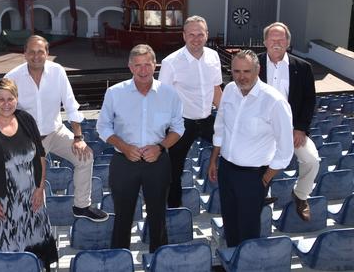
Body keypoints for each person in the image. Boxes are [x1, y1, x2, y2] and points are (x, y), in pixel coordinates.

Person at [0, 35, 107, 221]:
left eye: (40, 52)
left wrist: (78, 138)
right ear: (24, 54)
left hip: (55, 132)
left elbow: (71, 105)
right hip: (26, 138)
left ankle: (82, 206)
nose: (36, 56)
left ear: (47, 53)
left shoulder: (58, 72)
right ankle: (36, 217)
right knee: (34, 182)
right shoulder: (12, 77)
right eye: (32, 52)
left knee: (86, 157)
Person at [97, 44, 184, 252]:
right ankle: (120, 259)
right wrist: (124, 147)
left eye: (147, 64)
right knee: (123, 216)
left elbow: (178, 128)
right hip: (124, 162)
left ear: (155, 65)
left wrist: (160, 147)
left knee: (158, 216)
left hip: (158, 162)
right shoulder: (114, 93)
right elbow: (103, 126)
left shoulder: (170, 94)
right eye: (138, 65)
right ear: (130, 67)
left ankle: (158, 259)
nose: (143, 70)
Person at [0, 78, 58, 270]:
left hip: (30, 202)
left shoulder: (26, 120)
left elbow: (40, 155)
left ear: (17, 98)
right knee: (0, 260)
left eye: (10, 98)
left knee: (32, 258)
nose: (6, 104)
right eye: (1, 100)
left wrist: (40, 189)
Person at [208, 50, 294, 247]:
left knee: (248, 229)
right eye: (236, 71)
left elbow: (285, 150)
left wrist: (264, 179)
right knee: (230, 223)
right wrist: (214, 159)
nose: (241, 77)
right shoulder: (229, 89)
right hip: (227, 170)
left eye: (246, 71)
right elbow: (220, 125)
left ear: (258, 70)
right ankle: (233, 261)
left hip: (254, 176)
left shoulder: (275, 101)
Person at [159, 15, 222, 207]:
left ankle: (233, 194)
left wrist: (228, 117)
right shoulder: (171, 62)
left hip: (207, 119)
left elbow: (216, 89)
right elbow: (162, 97)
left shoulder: (213, 56)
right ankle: (173, 207)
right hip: (182, 123)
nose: (196, 38)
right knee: (174, 169)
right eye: (192, 34)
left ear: (207, 35)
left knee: (236, 151)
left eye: (200, 34)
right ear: (184, 36)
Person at [258, 22, 319, 221]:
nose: (277, 42)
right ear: (265, 41)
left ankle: (300, 195)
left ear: (288, 42)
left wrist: (301, 129)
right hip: (262, 128)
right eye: (273, 39)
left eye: (281, 39)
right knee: (256, 160)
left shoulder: (303, 68)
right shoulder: (254, 64)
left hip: (292, 129)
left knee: (311, 159)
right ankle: (262, 195)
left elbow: (310, 100)